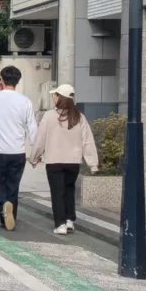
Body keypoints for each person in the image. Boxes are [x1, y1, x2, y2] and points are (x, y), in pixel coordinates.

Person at [31, 84, 99, 235]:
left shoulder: (49, 116)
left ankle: (60, 223)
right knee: (69, 189)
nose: (53, 98)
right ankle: (69, 220)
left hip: (54, 161)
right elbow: (87, 141)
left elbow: (40, 139)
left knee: (57, 192)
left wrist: (34, 157)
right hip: (73, 162)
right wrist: (93, 164)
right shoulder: (79, 117)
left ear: (59, 98)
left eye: (55, 95)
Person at [0, 65, 37, 230]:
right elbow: (32, 127)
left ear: (1, 79)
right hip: (17, 151)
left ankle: (3, 208)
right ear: (18, 81)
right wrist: (36, 151)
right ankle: (10, 217)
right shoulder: (25, 101)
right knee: (13, 186)